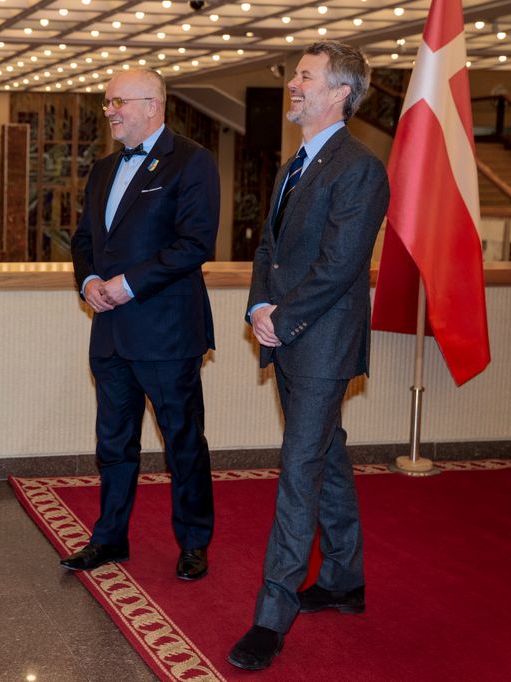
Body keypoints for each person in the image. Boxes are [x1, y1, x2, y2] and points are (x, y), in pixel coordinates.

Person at [228, 41, 390, 670]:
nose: (293, 85)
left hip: (321, 343)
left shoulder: (360, 168)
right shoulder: (294, 162)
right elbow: (267, 248)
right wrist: (257, 309)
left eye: (305, 77)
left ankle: (273, 615)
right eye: (296, 76)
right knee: (327, 455)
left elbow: (339, 267)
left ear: (340, 92)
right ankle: (346, 580)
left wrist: (283, 319)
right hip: (287, 334)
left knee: (299, 472)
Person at [62, 67, 219, 580]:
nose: (109, 110)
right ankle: (109, 539)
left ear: (152, 105)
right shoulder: (104, 168)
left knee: (183, 442)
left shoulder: (193, 162)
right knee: (113, 443)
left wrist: (127, 284)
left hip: (167, 332)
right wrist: (88, 283)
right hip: (109, 331)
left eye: (117, 102)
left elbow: (194, 245)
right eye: (107, 102)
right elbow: (84, 239)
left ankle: (194, 541)